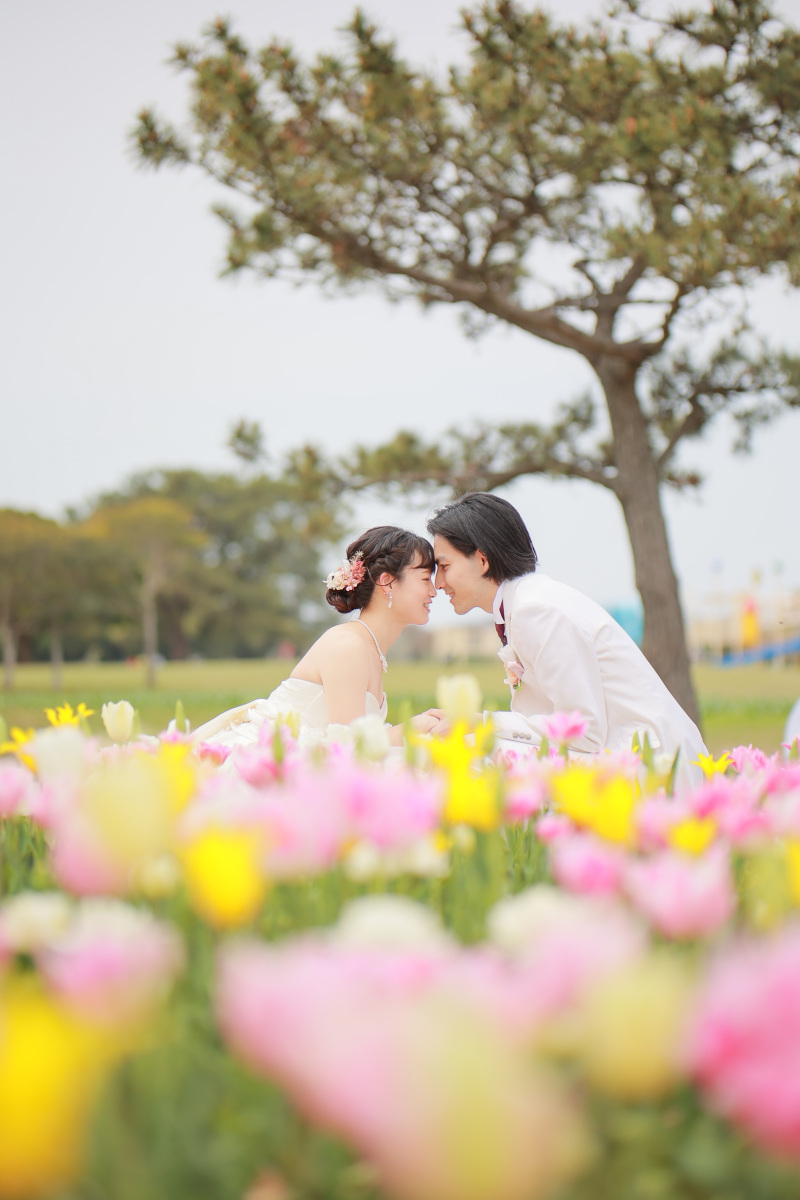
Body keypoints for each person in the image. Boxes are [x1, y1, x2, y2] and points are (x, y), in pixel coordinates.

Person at [425, 492, 708, 791]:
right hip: (625, 753)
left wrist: (480, 722)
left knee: (468, 755)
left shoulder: (537, 610)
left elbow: (584, 731)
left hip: (651, 763)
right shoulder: (526, 603)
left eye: (444, 567)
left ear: (482, 560)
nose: (438, 583)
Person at [192, 526, 440, 751]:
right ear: (387, 582)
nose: (434, 590)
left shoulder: (369, 647)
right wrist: (414, 726)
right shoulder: (349, 646)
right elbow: (348, 746)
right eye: (425, 578)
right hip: (267, 756)